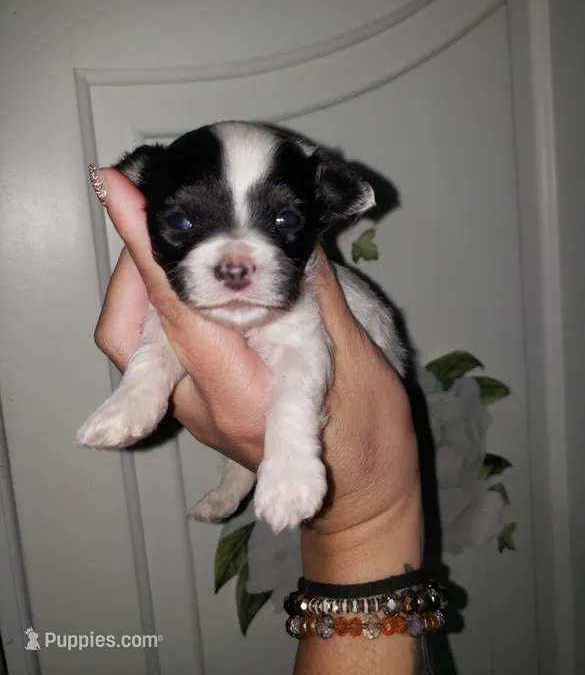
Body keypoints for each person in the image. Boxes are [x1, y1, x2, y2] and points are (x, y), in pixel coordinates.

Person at [93, 168, 425, 674]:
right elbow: (165, 330)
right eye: (184, 221)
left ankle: (244, 472)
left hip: (354, 379)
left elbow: (302, 358)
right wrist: (143, 388)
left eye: (282, 217)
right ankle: (240, 473)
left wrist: (363, 504)